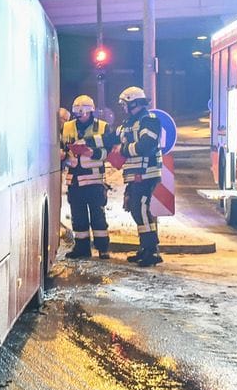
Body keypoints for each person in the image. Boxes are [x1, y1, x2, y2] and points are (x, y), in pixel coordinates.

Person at [60, 95, 115, 259]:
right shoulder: (67, 126)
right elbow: (62, 146)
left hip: (94, 181)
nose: (79, 116)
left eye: (82, 113)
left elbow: (110, 152)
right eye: (77, 113)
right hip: (74, 180)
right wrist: (63, 154)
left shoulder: (103, 127)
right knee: (78, 217)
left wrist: (93, 153)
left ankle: (103, 248)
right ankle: (82, 248)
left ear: (90, 112)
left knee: (98, 218)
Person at [115, 86, 164, 266]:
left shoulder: (148, 120)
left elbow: (146, 145)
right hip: (136, 174)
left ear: (134, 102)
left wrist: (124, 150)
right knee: (138, 210)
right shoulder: (130, 122)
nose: (123, 108)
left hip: (147, 173)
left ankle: (151, 251)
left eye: (125, 104)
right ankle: (146, 248)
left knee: (140, 210)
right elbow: (114, 138)